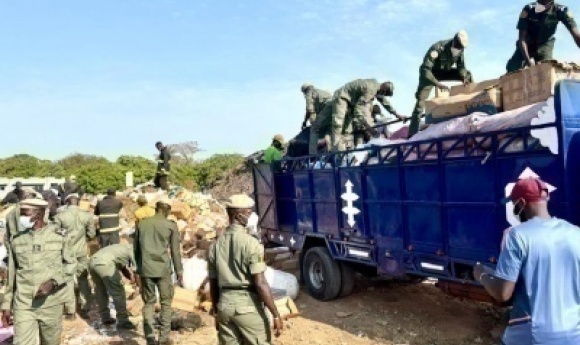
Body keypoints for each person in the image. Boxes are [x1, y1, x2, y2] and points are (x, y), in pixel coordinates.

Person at [473, 177, 580, 345]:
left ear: (521, 203)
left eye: (514, 203)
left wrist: (482, 275)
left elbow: (503, 293)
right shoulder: (575, 233)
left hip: (531, 335)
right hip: (573, 335)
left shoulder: (518, 236)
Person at [208, 194, 283, 345]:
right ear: (239, 215)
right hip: (247, 307)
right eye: (249, 212)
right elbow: (260, 283)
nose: (252, 216)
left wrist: (217, 312)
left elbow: (213, 284)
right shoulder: (252, 244)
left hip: (224, 306)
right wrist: (275, 314)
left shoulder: (214, 246)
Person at [1, 198, 71, 345]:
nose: (21, 218)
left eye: (24, 214)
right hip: (24, 304)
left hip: (52, 302)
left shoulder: (60, 236)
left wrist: (54, 282)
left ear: (38, 214)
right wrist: (6, 305)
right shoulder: (17, 240)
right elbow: (11, 275)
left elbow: (71, 265)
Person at [134, 199, 183, 345]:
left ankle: (149, 337)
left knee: (149, 303)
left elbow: (136, 249)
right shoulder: (170, 226)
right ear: (167, 210)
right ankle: (163, 339)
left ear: (156, 209)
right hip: (163, 270)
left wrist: (138, 269)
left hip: (146, 269)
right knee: (166, 304)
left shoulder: (142, 224)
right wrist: (179, 270)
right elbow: (175, 252)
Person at [409, 30, 472, 138]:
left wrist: (463, 77)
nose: (459, 49)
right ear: (454, 40)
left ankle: (473, 105)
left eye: (461, 47)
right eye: (458, 46)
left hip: (444, 71)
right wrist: (437, 84)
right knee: (420, 104)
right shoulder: (437, 48)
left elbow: (461, 66)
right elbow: (425, 69)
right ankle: (411, 135)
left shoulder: (460, 50)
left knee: (468, 75)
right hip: (430, 74)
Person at [329, 79, 405, 151]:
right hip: (343, 97)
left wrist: (397, 115)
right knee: (338, 125)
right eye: (385, 94)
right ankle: (336, 153)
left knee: (347, 130)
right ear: (383, 91)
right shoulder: (370, 90)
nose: (383, 96)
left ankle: (342, 152)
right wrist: (367, 125)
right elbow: (358, 110)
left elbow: (385, 103)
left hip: (351, 103)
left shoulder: (377, 89)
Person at [55, 193, 96, 319]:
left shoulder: (60, 216)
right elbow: (92, 233)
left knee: (67, 279)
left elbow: (55, 235)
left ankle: (70, 310)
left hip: (66, 252)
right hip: (81, 250)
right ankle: (85, 308)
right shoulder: (87, 215)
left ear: (67, 202)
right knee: (83, 277)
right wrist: (84, 239)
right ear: (78, 202)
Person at [506, 1, 580, 73]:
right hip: (526, 45)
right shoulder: (529, 9)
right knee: (513, 68)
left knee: (546, 71)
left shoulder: (561, 10)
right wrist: (528, 62)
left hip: (545, 45)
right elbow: (522, 39)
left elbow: (576, 35)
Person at [88, 244, 137, 329]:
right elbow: (136, 269)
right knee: (118, 291)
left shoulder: (121, 249)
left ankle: (105, 317)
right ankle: (123, 321)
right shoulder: (133, 250)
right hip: (105, 263)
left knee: (100, 290)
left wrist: (130, 278)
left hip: (92, 262)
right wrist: (138, 281)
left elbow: (123, 268)